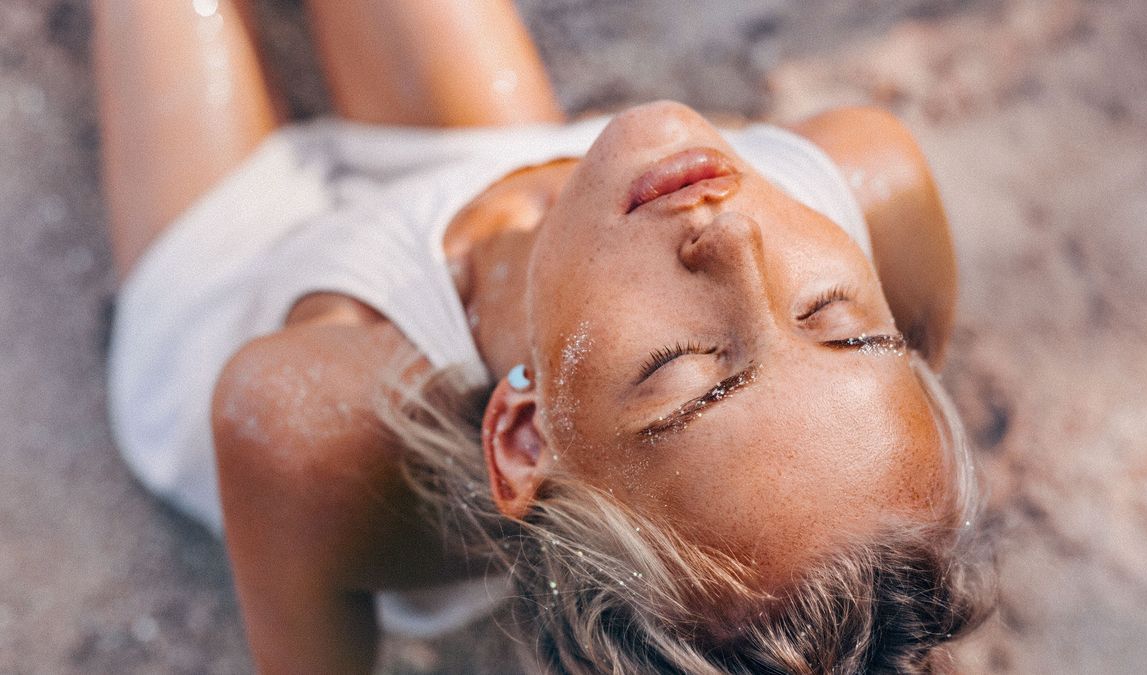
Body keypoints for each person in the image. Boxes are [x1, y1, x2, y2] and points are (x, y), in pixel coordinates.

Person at [95, 0, 994, 672]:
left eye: (682, 371)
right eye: (835, 324)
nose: (736, 240)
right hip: (500, 173)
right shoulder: (865, 184)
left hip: (246, 273)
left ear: (527, 434)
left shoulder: (309, 424)